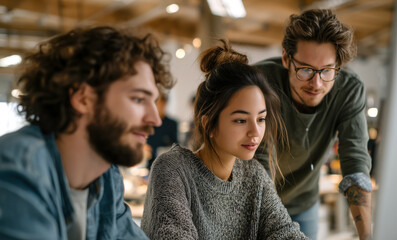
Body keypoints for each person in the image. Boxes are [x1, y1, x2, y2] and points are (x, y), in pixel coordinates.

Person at [0, 26, 174, 239]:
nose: (155, 119)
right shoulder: (19, 167)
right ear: (83, 98)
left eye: (154, 102)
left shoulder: (106, 178)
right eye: (138, 99)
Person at [140, 40, 308, 239]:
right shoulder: (172, 169)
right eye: (240, 120)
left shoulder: (254, 175)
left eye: (261, 119)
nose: (255, 132)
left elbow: (285, 233)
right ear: (208, 123)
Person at [254, 9, 372, 240]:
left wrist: (367, 235)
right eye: (305, 69)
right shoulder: (260, 82)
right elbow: (260, 162)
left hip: (304, 201)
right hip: (258, 199)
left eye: (327, 71)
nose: (316, 83)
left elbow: (355, 159)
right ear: (286, 59)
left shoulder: (349, 90)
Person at [146, 93, 178, 170]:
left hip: (166, 166)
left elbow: (175, 146)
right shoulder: (147, 123)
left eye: (158, 103)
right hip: (148, 165)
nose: (156, 106)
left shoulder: (172, 124)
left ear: (164, 103)